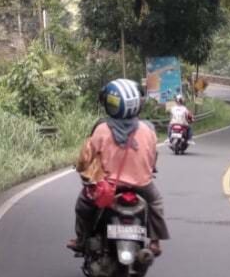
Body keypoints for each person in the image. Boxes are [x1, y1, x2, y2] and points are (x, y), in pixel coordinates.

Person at [68, 79, 170, 256]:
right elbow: (153, 157)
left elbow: (86, 158)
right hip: (142, 185)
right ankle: (155, 242)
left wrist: (81, 168)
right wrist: (149, 169)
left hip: (108, 187)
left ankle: (81, 239)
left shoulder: (101, 129)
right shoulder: (148, 129)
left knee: (84, 204)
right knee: (156, 202)